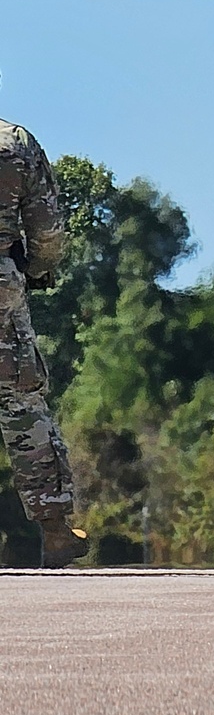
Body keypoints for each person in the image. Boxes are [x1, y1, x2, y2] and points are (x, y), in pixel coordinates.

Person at [0, 117, 87, 566]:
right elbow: (48, 228)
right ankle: (55, 532)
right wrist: (34, 269)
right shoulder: (14, 142)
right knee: (20, 403)